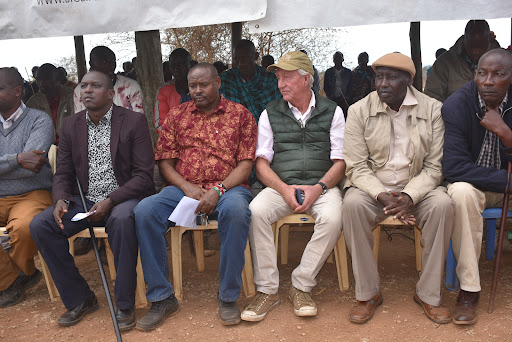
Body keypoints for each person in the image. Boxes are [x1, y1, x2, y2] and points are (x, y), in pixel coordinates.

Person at [134, 63, 257, 329]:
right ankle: (162, 297)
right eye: (192, 86)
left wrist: (218, 189)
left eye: (204, 84)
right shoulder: (177, 115)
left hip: (229, 188)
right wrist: (187, 187)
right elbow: (165, 162)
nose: (197, 90)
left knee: (237, 212)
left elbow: (246, 164)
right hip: (183, 189)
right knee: (145, 211)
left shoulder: (240, 115)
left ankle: (228, 296)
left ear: (218, 83)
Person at [30, 70, 155, 330]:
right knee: (41, 225)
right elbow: (63, 172)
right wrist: (61, 199)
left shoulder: (133, 122)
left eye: (95, 86)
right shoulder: (70, 125)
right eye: (84, 86)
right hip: (84, 200)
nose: (87, 90)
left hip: (123, 197)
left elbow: (143, 177)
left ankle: (124, 304)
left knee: (122, 221)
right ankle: (80, 298)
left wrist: (110, 200)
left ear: (111, 94)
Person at [342, 52, 453, 325]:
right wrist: (383, 195)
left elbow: (435, 167)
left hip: (417, 186)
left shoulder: (433, 110)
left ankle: (428, 294)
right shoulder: (358, 110)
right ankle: (368, 293)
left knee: (443, 205)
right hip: (373, 190)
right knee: (352, 204)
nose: (383, 84)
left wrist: (409, 196)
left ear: (408, 80)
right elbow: (356, 166)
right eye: (379, 77)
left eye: (391, 77)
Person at [241, 51, 345, 321]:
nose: (280, 83)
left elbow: (340, 162)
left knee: (334, 217)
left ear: (306, 79)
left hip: (321, 186)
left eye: (287, 77)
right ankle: (267, 290)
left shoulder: (332, 111)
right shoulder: (270, 113)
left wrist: (318, 188)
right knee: (256, 211)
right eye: (278, 77)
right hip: (281, 186)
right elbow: (261, 164)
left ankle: (301, 284)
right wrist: (284, 189)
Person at [442, 48, 512, 325]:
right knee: (459, 192)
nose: (488, 81)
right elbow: (455, 168)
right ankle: (469, 291)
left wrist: (507, 134)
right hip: (477, 187)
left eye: (498, 74)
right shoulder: (457, 105)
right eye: (482, 73)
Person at [0, 67, 54, 307]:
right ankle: (19, 277)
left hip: (33, 194)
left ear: (17, 91)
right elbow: (23, 163)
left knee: (23, 227)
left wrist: (17, 164)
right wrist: (17, 159)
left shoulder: (39, 119)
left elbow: (33, 166)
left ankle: (15, 278)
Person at [425, 20, 493, 102]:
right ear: (465, 40)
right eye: (472, 47)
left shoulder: (503, 62)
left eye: (481, 47)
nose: (476, 52)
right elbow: (432, 100)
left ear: (488, 41)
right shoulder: (444, 64)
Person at [220, 39, 281, 123]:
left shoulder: (269, 79)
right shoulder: (228, 79)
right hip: (237, 129)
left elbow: (277, 111)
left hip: (268, 129)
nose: (240, 63)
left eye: (245, 58)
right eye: (237, 59)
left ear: (255, 56)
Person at [73, 46, 144, 113]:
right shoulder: (80, 91)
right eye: (105, 62)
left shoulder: (131, 87)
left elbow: (138, 121)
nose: (111, 65)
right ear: (91, 64)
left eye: (113, 62)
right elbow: (79, 123)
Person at [26, 63, 74, 143]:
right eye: (38, 79)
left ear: (57, 78)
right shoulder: (33, 103)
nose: (41, 83)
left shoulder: (72, 96)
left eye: (46, 79)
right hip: (45, 148)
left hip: (71, 144)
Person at [154, 48, 193, 135]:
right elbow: (160, 124)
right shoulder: (164, 91)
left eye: (181, 64)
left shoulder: (202, 87)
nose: (176, 69)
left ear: (191, 64)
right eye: (173, 66)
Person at [323, 51, 352, 117]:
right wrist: (331, 96)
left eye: (339, 58)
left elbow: (350, 87)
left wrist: (347, 98)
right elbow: (326, 87)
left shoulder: (348, 72)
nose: (337, 60)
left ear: (343, 59)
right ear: (333, 60)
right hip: (332, 100)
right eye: (335, 58)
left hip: (344, 100)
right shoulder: (328, 72)